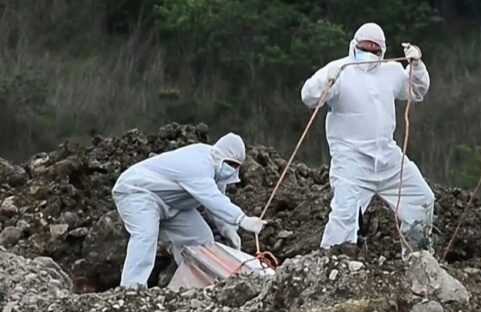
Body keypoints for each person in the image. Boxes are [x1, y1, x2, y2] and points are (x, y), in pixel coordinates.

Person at [300, 22, 434, 257]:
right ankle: (332, 268)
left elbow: (417, 92)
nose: (369, 53)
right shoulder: (340, 69)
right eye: (365, 47)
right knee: (345, 215)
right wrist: (325, 82)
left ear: (382, 50)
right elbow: (309, 96)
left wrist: (417, 65)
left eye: (374, 49)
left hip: (387, 156)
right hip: (351, 159)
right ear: (354, 45)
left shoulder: (391, 71)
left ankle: (417, 258)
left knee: (422, 200)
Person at [112, 133, 267, 287]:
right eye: (231, 164)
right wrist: (242, 219)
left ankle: (192, 287)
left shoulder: (216, 172)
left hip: (172, 205)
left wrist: (229, 230)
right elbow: (211, 197)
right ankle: (131, 289)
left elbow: (218, 199)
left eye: (236, 166)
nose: (233, 170)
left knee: (201, 240)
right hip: (138, 192)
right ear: (220, 156)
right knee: (145, 235)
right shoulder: (198, 164)